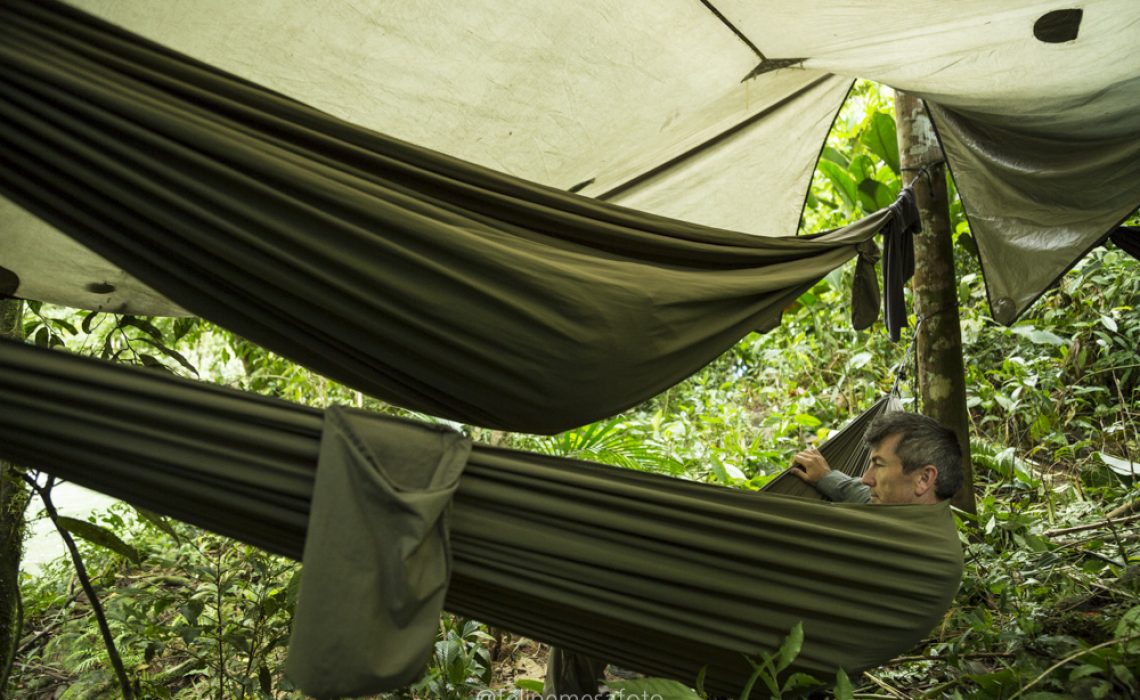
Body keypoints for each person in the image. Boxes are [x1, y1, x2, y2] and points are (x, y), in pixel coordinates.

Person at [790, 412, 964, 504]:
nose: (866, 479)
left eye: (879, 465)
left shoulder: (931, 558)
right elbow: (859, 493)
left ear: (923, 479)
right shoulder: (896, 503)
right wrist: (825, 477)